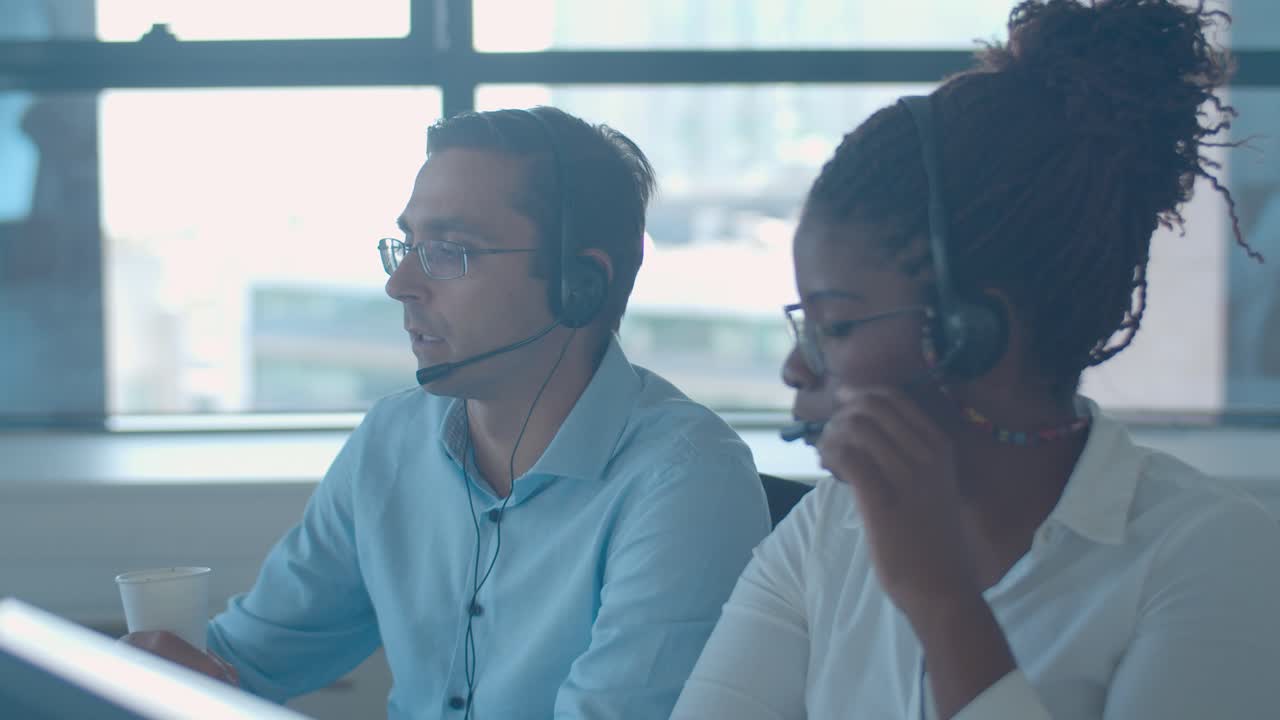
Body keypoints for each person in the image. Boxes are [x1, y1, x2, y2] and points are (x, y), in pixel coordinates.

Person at [672, 1, 1280, 718]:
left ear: (976, 330)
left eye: (835, 325)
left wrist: (941, 599)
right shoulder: (827, 529)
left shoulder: (1215, 557)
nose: (795, 371)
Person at [125, 106, 771, 719]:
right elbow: (244, 662)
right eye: (405, 243)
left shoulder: (687, 482)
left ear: (581, 284)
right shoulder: (392, 441)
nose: (399, 284)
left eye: (450, 250)